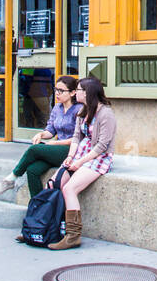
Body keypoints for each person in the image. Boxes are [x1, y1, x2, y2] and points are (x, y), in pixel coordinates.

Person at [47, 76, 116, 251]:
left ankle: (72, 236)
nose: (75, 92)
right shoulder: (82, 111)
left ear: (87, 93)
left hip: (98, 157)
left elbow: (102, 145)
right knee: (53, 183)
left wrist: (80, 162)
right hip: (80, 154)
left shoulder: (105, 113)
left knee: (69, 189)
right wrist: (70, 157)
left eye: (78, 90)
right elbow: (77, 137)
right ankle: (45, 226)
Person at [0, 74, 80, 197]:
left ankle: (11, 179)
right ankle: (37, 207)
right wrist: (41, 134)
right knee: (32, 170)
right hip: (56, 149)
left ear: (72, 92)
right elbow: (50, 130)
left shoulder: (79, 110)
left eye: (61, 91)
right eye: (56, 90)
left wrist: (55, 143)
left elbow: (79, 138)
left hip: (72, 151)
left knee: (34, 149)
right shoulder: (57, 108)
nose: (57, 93)